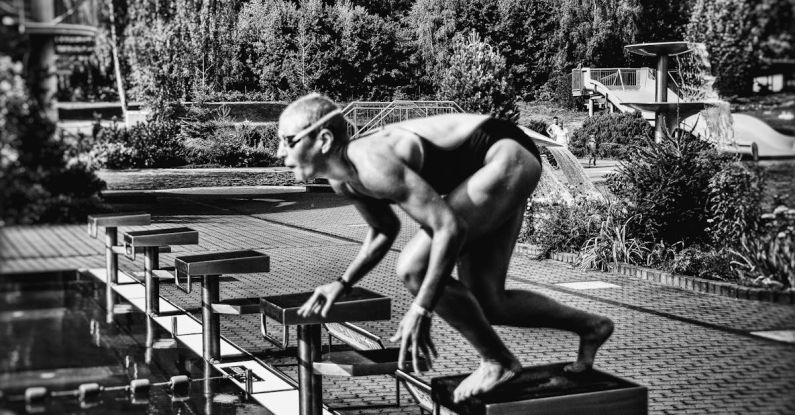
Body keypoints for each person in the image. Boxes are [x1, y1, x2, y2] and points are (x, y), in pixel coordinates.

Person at [280, 94, 613, 403]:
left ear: (323, 140)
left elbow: (449, 228)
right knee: (489, 302)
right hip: (496, 164)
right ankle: (591, 326)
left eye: (288, 141)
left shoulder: (373, 163)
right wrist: (342, 283)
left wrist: (421, 308)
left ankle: (497, 360)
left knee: (412, 267)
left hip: (504, 153)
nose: (280, 153)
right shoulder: (344, 180)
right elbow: (384, 229)